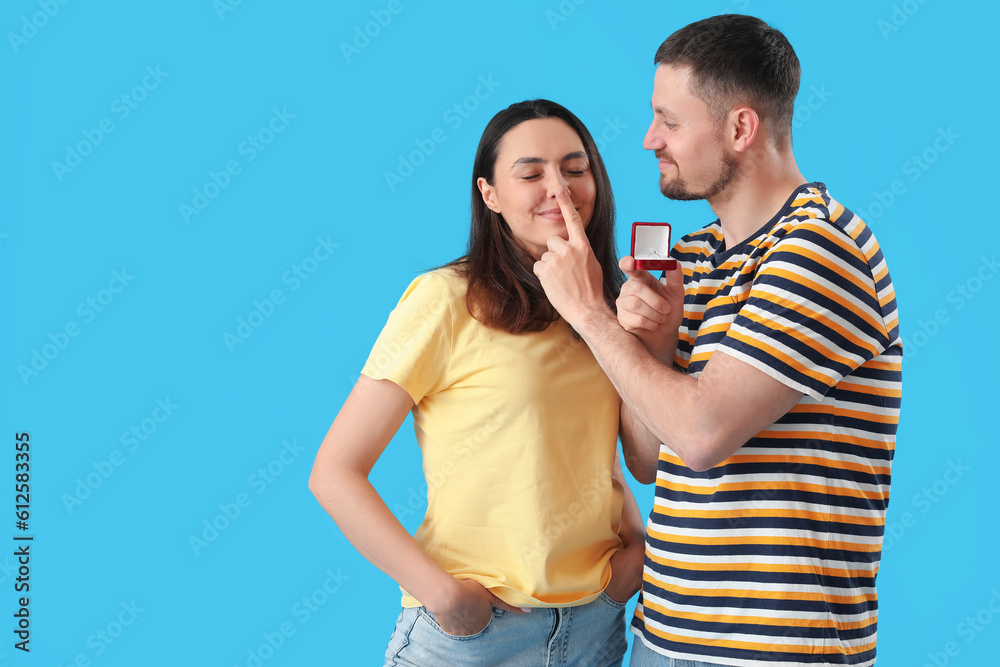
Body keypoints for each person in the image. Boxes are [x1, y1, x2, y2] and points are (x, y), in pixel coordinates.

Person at [532, 15, 901, 667]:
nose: (649, 140)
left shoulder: (820, 251)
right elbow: (651, 458)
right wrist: (655, 344)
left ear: (739, 128)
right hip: (663, 636)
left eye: (668, 120)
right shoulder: (693, 256)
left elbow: (701, 437)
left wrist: (591, 316)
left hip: (775, 652)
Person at [309, 99, 645, 667]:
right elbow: (335, 472)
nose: (558, 189)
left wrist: (631, 556)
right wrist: (443, 595)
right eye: (531, 173)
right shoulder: (445, 300)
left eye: (575, 168)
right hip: (476, 637)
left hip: (594, 627)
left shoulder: (604, 308)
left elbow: (593, 452)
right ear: (490, 195)